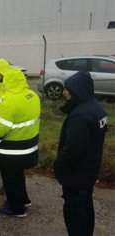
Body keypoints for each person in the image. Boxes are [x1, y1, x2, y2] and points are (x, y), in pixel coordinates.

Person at [53, 71, 107, 236]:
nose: (64, 92)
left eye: (68, 89)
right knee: (85, 206)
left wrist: (58, 166)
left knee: (75, 212)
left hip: (77, 174)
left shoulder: (80, 115)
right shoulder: (98, 108)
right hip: (89, 169)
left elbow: (72, 150)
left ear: (78, 90)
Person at [0, 68, 40, 218]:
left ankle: (17, 208)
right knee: (18, 175)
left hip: (11, 151)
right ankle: (24, 200)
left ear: (8, 82)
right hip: (29, 147)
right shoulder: (33, 96)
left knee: (10, 179)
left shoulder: (10, 100)